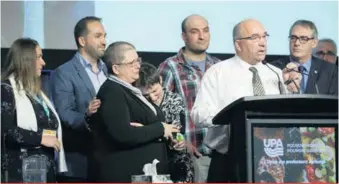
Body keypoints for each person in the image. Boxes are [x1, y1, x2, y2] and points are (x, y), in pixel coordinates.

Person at [191, 19, 296, 182]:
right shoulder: (218, 72)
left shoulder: (275, 73)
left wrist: (292, 93)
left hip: (271, 158)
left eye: (264, 36)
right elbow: (198, 115)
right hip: (228, 161)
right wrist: (230, 116)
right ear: (238, 44)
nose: (262, 43)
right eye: (254, 38)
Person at [88, 41, 179, 182]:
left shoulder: (129, 90)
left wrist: (168, 137)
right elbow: (123, 134)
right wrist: (160, 129)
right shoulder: (113, 92)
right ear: (116, 69)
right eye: (131, 63)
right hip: (125, 174)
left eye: (138, 60)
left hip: (147, 172)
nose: (138, 66)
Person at [158, 14, 219, 182]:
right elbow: (158, 113)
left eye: (205, 31)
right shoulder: (170, 67)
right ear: (184, 36)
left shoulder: (218, 67)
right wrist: (181, 141)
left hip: (221, 155)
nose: (202, 36)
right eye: (195, 31)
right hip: (191, 156)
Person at [1, 38, 67, 182]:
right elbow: (5, 131)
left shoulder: (37, 94)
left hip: (44, 170)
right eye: (38, 57)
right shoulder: (6, 90)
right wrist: (40, 138)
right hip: (20, 172)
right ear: (25, 60)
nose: (43, 62)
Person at [50, 16, 107, 182]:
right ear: (82, 41)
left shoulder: (109, 70)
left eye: (104, 36)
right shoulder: (64, 72)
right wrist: (86, 115)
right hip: (81, 161)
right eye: (98, 36)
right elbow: (65, 113)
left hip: (109, 159)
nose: (104, 41)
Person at [135, 62, 195, 183]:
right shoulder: (136, 103)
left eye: (155, 91)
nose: (152, 97)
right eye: (146, 95)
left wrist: (178, 141)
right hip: (145, 161)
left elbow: (177, 132)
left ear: (161, 81)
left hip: (174, 161)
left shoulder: (174, 100)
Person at [271, 20, 338, 95]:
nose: (296, 43)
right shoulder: (274, 69)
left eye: (303, 39)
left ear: (314, 43)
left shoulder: (330, 71)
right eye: (293, 38)